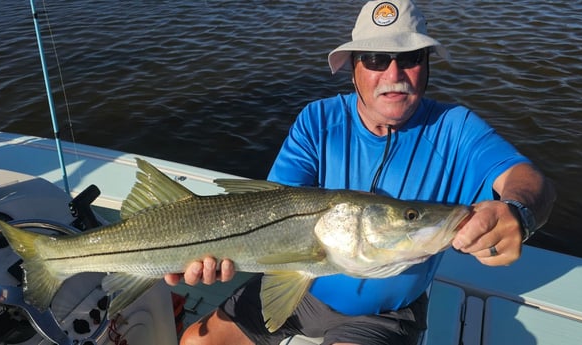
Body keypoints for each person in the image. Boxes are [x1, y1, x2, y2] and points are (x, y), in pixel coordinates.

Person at [165, 0, 556, 344]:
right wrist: (205, 250)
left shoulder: (455, 128)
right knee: (198, 343)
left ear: (426, 64)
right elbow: (275, 208)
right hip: (303, 286)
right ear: (353, 67)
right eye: (374, 59)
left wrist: (518, 212)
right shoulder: (318, 120)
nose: (393, 73)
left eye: (410, 57)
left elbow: (529, 181)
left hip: (384, 313)